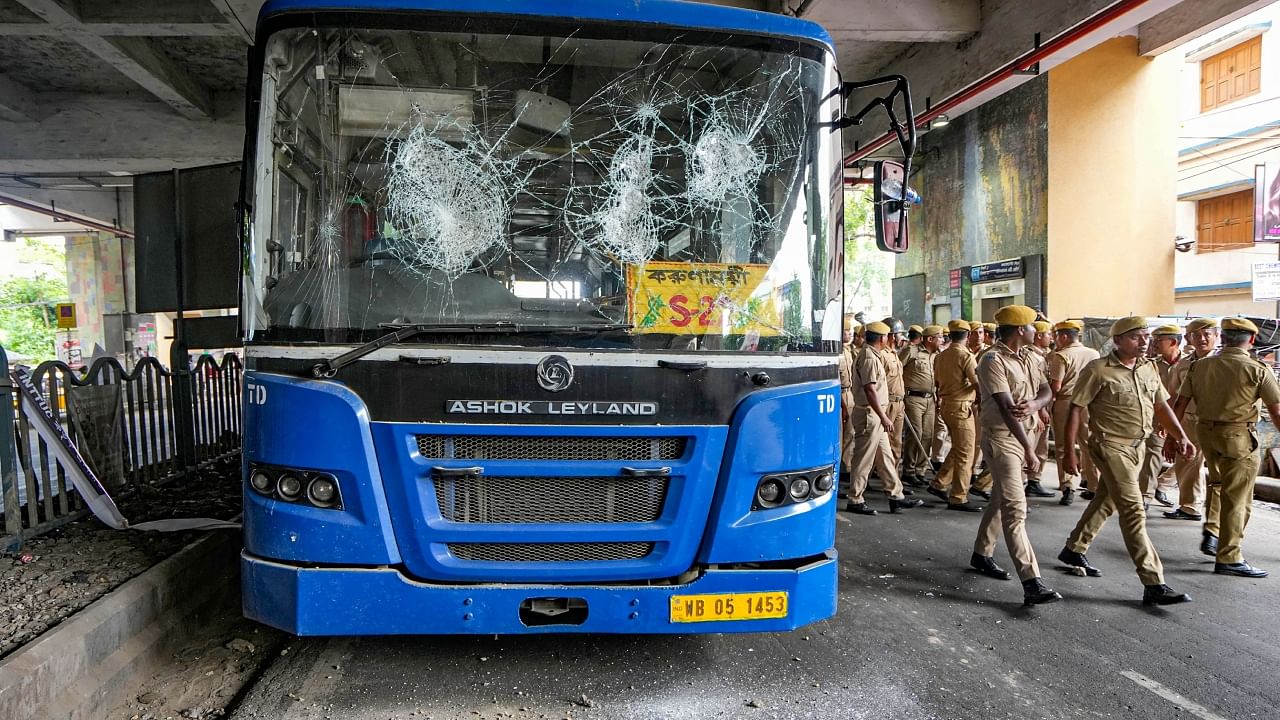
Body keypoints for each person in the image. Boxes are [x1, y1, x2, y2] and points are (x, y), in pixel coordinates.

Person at [1056, 317, 1194, 606]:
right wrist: (1068, 452)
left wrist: (1180, 436)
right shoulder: (1098, 370)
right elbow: (1075, 411)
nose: (1144, 342)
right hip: (1109, 447)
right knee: (1133, 511)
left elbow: (1161, 405)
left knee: (1107, 499)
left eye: (1145, 336)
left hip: (1138, 447)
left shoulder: (1148, 367)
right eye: (1135, 337)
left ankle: (1074, 547)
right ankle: (1153, 581)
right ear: (1117, 341)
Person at [969, 305, 1061, 605]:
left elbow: (1047, 391)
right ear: (1021, 330)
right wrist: (1028, 450)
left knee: (1001, 498)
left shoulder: (1030, 358)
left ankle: (981, 554)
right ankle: (1031, 580)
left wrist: (1036, 405)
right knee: (1015, 509)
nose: (1038, 331)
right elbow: (1008, 410)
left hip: (1026, 435)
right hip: (1005, 441)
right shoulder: (991, 360)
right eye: (1034, 327)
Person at [1174, 317, 1280, 578]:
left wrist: (1174, 436)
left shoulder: (1200, 367)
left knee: (1218, 486)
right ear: (1252, 340)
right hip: (1238, 437)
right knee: (1238, 498)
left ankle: (1212, 533)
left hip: (1206, 433)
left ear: (1221, 338)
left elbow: (1180, 403)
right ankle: (1230, 556)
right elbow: (1276, 411)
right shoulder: (1257, 369)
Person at [846, 321, 926, 515]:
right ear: (882, 338)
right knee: (864, 458)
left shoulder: (874, 355)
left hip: (876, 414)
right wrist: (884, 417)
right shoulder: (869, 357)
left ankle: (895, 495)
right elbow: (870, 389)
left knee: (886, 457)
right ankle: (855, 498)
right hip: (870, 414)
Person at [1164, 318, 1220, 523]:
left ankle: (1218, 515)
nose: (1202, 339)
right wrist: (1169, 426)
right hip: (1188, 420)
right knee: (1186, 462)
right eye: (1197, 335)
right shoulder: (1182, 365)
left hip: (1218, 421)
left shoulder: (1224, 363)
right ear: (1188, 339)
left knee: (1219, 468)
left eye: (1207, 334)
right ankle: (1190, 506)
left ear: (1217, 336)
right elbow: (1172, 396)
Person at [931, 320, 983, 512]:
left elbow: (937, 381)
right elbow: (977, 383)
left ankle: (939, 482)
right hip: (962, 406)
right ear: (968, 336)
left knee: (959, 448)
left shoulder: (941, 356)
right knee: (965, 453)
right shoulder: (966, 356)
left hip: (946, 405)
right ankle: (958, 496)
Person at [1047, 320, 1100, 504]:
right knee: (1089, 445)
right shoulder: (1093, 353)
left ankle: (1068, 486)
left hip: (1066, 403)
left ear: (1063, 336)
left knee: (1063, 446)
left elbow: (1056, 385)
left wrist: (1047, 407)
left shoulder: (1061, 356)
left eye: (1055, 336)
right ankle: (1094, 486)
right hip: (1089, 403)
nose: (1054, 340)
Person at [1139, 325, 1184, 509]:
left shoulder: (1189, 364)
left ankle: (1163, 484)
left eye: (1158, 341)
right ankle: (1145, 496)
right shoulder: (1151, 365)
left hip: (1187, 417)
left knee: (1190, 457)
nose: (1153, 344)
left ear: (1173, 342)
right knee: (1153, 454)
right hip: (1159, 417)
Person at [900, 325, 942, 487]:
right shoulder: (911, 351)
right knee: (914, 433)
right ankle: (908, 470)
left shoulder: (937, 355)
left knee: (928, 435)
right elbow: (897, 370)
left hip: (930, 399)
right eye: (939, 337)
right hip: (913, 398)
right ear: (930, 339)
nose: (942, 340)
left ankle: (920, 470)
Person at [1025, 320, 1054, 496]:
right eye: (1048, 334)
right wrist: (1039, 410)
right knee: (1029, 447)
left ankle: (1034, 480)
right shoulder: (1031, 356)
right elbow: (1032, 386)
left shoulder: (1043, 355)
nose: (1051, 338)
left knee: (1041, 447)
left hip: (1043, 404)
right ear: (1039, 336)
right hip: (1036, 407)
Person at [881, 317, 908, 472]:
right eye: (899, 334)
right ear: (891, 336)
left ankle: (894, 478)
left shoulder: (894, 354)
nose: (902, 338)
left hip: (899, 403)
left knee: (896, 444)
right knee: (884, 444)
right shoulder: (882, 355)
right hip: (888, 404)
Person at [838, 315, 858, 493]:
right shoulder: (835, 352)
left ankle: (846, 468)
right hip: (839, 395)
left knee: (851, 433)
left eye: (851, 331)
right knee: (839, 436)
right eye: (846, 331)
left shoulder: (849, 350)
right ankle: (836, 474)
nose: (850, 334)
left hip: (850, 393)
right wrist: (843, 405)